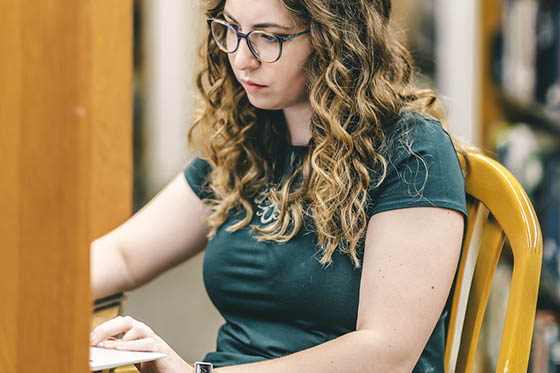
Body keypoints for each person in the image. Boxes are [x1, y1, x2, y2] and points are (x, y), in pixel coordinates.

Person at [90, 0, 468, 371]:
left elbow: (386, 354)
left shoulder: (413, 150)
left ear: (336, 39)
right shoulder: (252, 137)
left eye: (269, 38)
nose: (241, 58)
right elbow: (124, 254)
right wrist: (36, 284)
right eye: (232, 28)